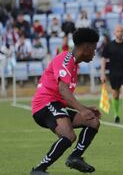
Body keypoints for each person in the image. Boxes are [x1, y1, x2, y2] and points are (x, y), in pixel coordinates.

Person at [30, 28, 100, 175]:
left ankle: (75, 157)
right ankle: (39, 169)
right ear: (86, 48)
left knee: (93, 121)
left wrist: (86, 109)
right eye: (93, 49)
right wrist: (81, 109)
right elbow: (63, 90)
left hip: (55, 104)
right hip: (44, 105)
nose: (94, 53)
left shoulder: (74, 65)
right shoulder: (66, 60)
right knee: (69, 136)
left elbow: (63, 96)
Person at [100, 24, 123, 124]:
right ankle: (116, 115)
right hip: (114, 73)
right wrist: (102, 73)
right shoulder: (109, 46)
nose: (119, 33)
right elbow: (103, 59)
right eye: (117, 31)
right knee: (115, 94)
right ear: (114, 33)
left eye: (121, 31)